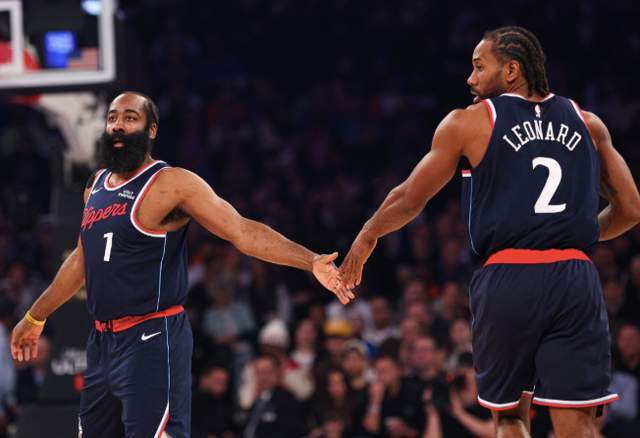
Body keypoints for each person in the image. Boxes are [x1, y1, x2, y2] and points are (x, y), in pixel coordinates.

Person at [340, 26, 640, 438]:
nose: (471, 78)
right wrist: (571, 235)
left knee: (510, 416)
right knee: (578, 423)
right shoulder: (588, 123)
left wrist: (367, 235)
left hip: (508, 276)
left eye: (480, 67)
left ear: (511, 70)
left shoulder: (470, 122)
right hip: (575, 278)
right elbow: (631, 208)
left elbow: (409, 197)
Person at [9, 91, 354, 438]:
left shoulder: (172, 184)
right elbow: (82, 259)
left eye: (130, 118)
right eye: (112, 118)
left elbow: (242, 231)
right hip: (102, 341)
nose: (118, 126)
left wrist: (310, 261)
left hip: (151, 335)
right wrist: (35, 316)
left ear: (151, 130)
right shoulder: (95, 186)